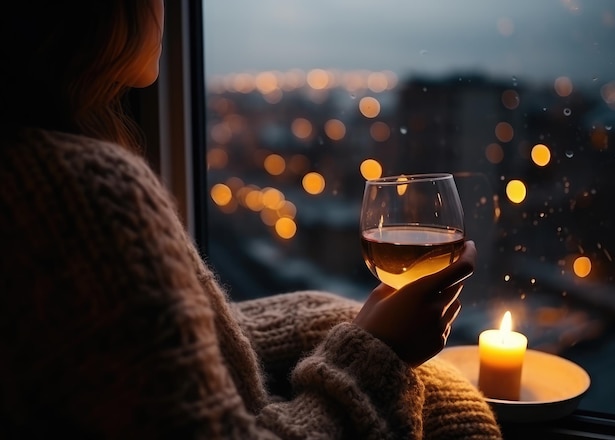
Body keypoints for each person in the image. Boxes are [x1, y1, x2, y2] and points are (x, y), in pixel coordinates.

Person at [0, 1, 502, 438]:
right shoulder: (79, 192)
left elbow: (131, 360)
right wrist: (381, 352)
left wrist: (325, 318)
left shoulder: (36, 170)